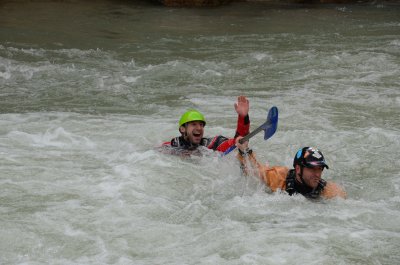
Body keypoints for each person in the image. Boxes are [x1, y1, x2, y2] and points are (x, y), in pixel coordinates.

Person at [235, 139, 346, 199]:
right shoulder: (278, 177)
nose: (317, 174)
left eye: (320, 169)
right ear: (298, 169)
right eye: (312, 169)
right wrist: (244, 151)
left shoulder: (330, 191)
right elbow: (252, 170)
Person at [162, 96, 250, 154]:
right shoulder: (169, 147)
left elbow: (237, 141)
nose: (199, 128)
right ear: (182, 129)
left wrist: (243, 117)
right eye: (194, 124)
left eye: (201, 125)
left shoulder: (211, 145)